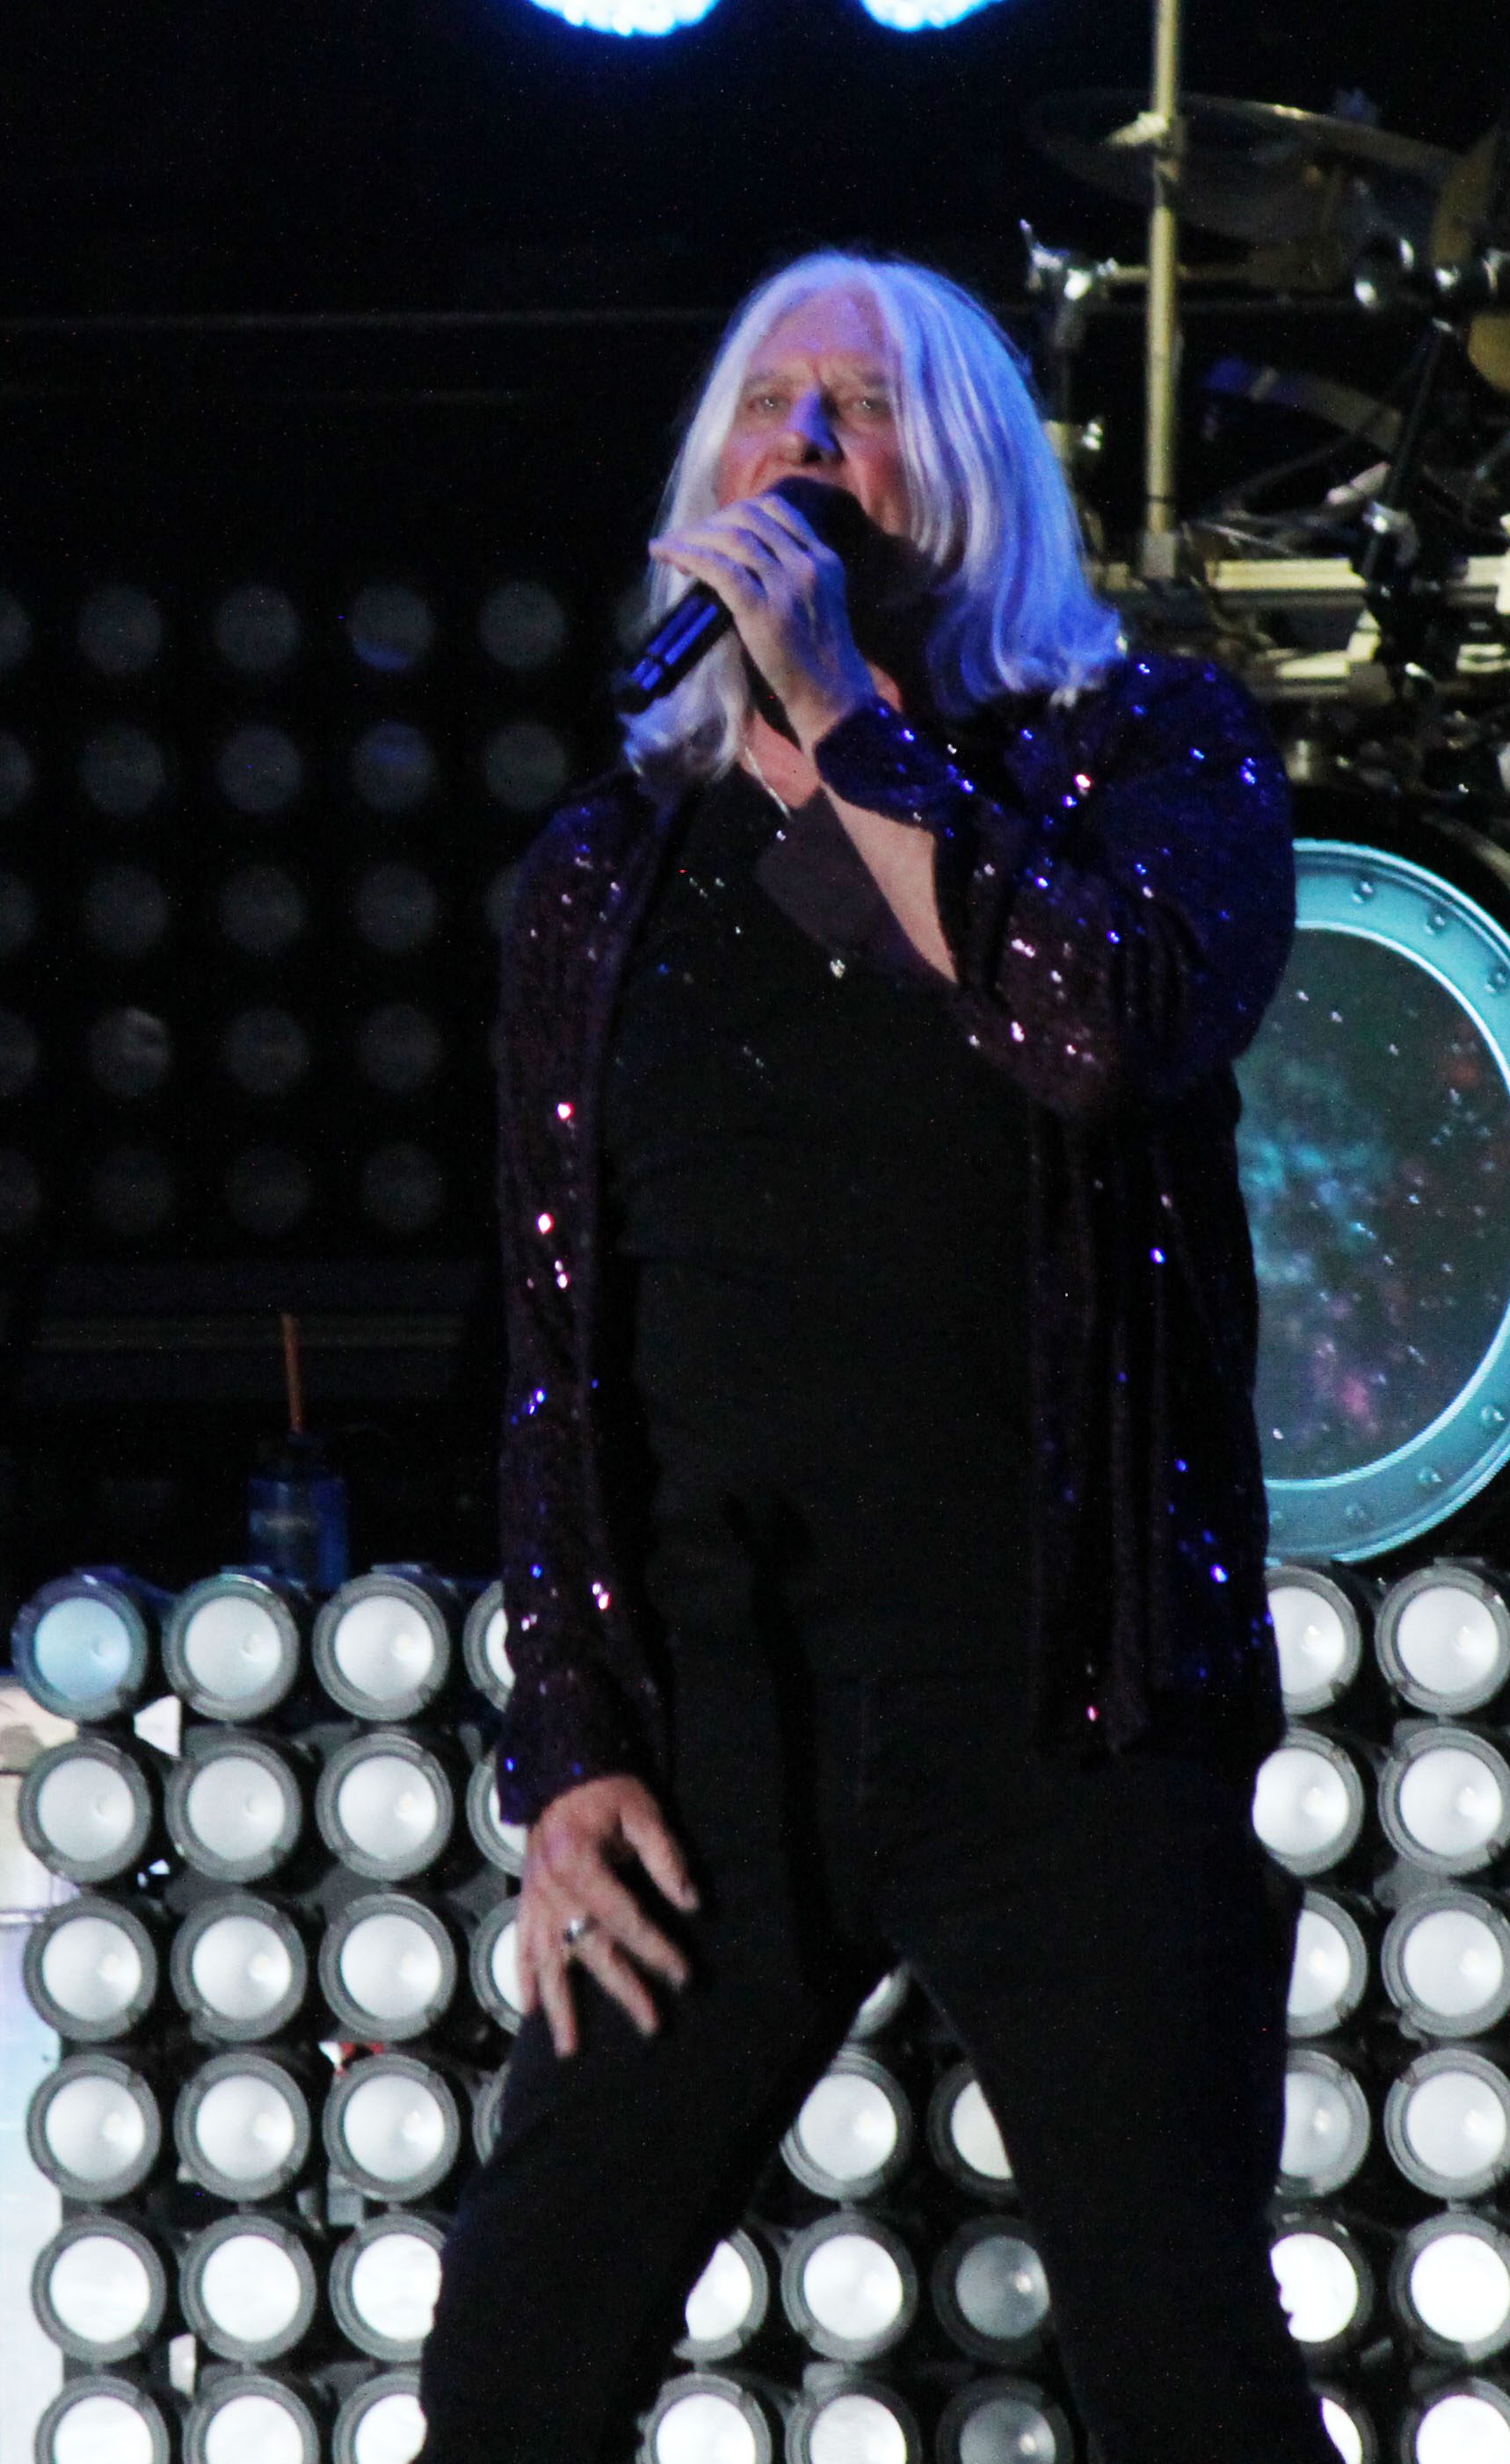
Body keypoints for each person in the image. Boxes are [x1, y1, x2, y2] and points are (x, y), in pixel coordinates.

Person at [417, 250, 1334, 2464]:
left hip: (1065, 1703)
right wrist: (568, 1745)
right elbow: (557, 1343)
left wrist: (843, 718)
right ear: (701, 486)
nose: (809, 445)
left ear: (977, 480)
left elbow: (1087, 1033)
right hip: (722, 1727)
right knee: (516, 2364)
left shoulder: (1150, 756)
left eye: (868, 407)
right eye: (771, 408)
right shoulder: (603, 874)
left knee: (1186, 2366)